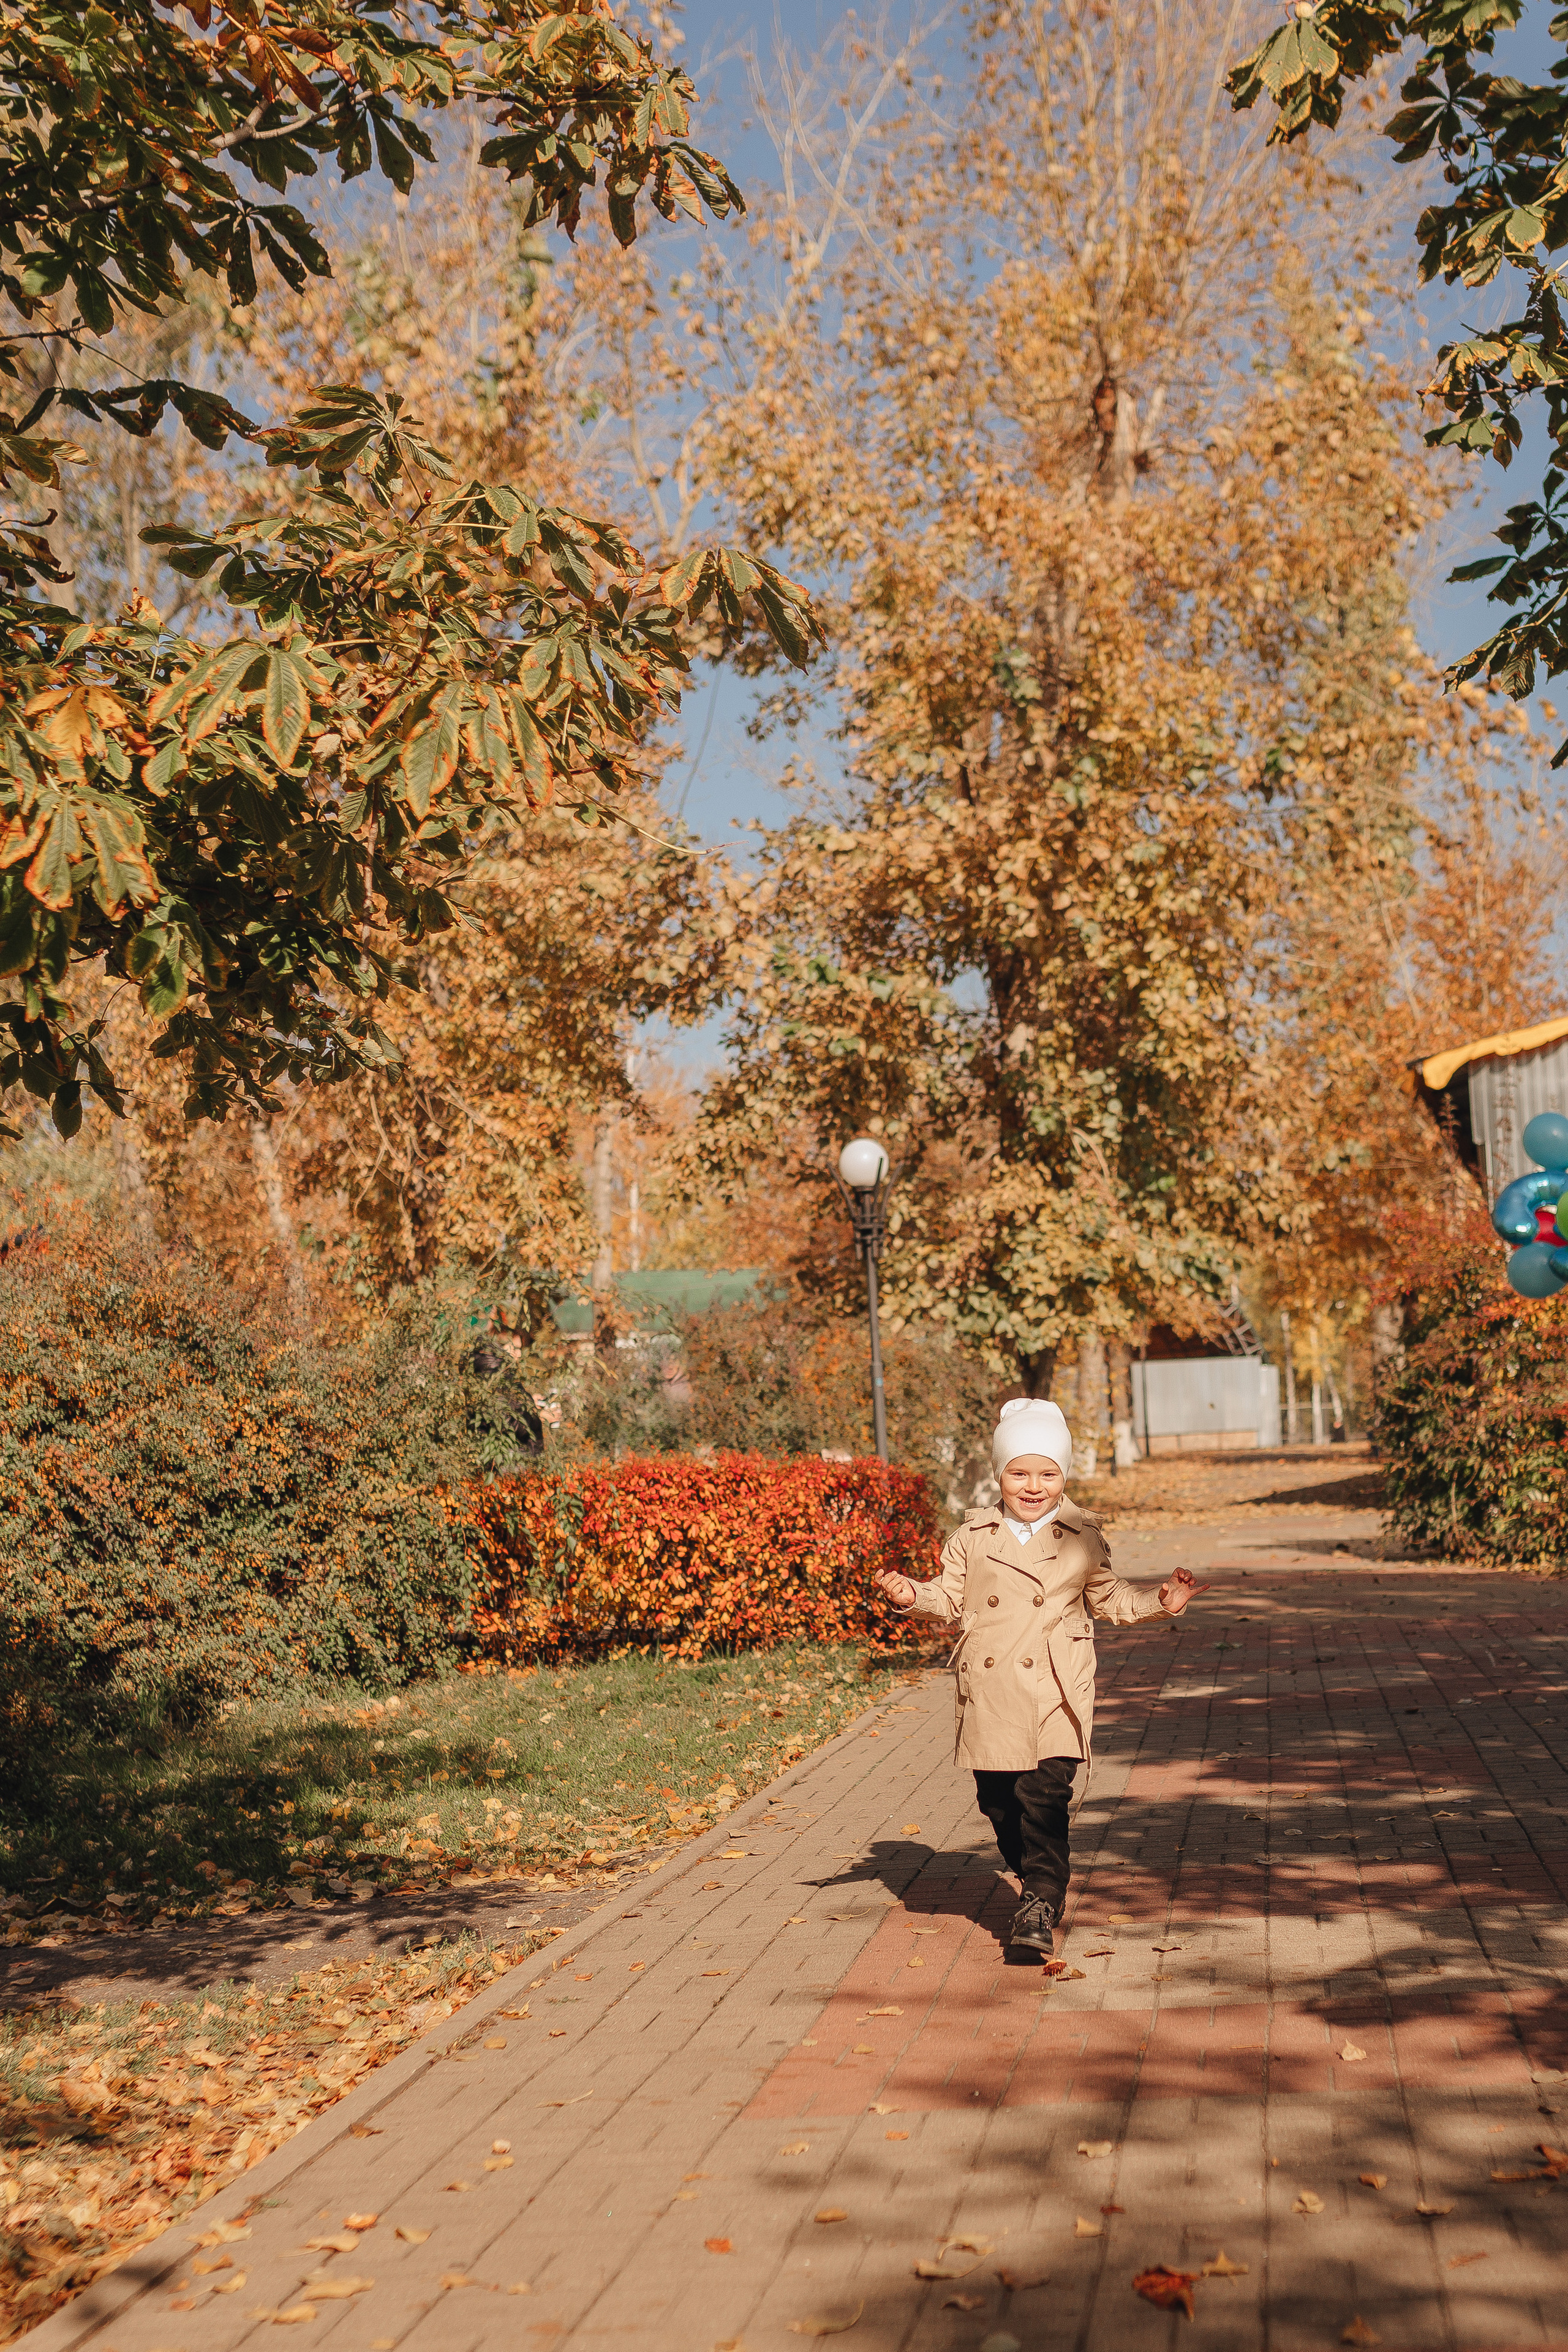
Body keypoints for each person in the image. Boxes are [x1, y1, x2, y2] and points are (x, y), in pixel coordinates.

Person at [875, 1395, 1194, 1956]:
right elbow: (948, 1598)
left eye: (1048, 1474)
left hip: (1056, 1688)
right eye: (1018, 1473)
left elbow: (1109, 1596)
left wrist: (1160, 1601)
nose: (1033, 1486)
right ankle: (1034, 1879)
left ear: (1064, 1475)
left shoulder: (1082, 1534)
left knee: (1044, 1797)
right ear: (999, 1475)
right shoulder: (973, 1537)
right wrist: (910, 1596)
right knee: (999, 1804)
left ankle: (1041, 1903)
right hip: (991, 1689)